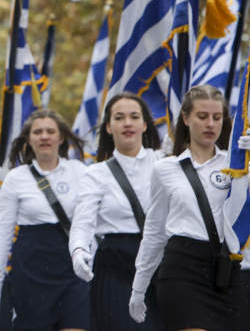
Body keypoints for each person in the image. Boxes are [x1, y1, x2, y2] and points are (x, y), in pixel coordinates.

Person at [129, 85, 250, 331]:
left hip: (227, 269)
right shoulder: (166, 168)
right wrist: (139, 287)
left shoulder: (235, 163)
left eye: (217, 118)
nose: (210, 124)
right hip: (182, 267)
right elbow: (154, 231)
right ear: (186, 118)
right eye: (202, 117)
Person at [0, 109, 89, 331]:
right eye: (37, 132)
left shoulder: (80, 172)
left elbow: (89, 221)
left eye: (50, 131)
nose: (44, 136)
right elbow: (1, 235)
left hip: (72, 266)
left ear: (61, 138)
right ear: (28, 139)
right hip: (30, 269)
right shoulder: (15, 178)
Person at [69, 93, 162, 331]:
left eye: (134, 117)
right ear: (109, 127)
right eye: (119, 118)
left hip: (160, 263)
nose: (127, 123)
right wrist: (79, 250)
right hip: (115, 265)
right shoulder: (96, 174)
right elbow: (83, 220)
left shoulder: (164, 164)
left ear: (144, 124)